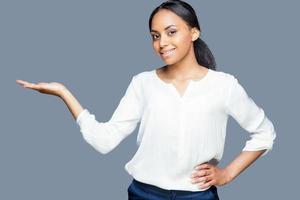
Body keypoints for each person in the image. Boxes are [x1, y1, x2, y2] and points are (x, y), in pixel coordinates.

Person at [16, 0, 276, 199]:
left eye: (171, 32)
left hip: (199, 195)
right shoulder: (142, 83)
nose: (162, 42)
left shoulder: (224, 85)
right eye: (155, 35)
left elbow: (265, 133)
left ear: (194, 33)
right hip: (144, 194)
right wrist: (64, 92)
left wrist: (228, 174)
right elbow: (104, 141)